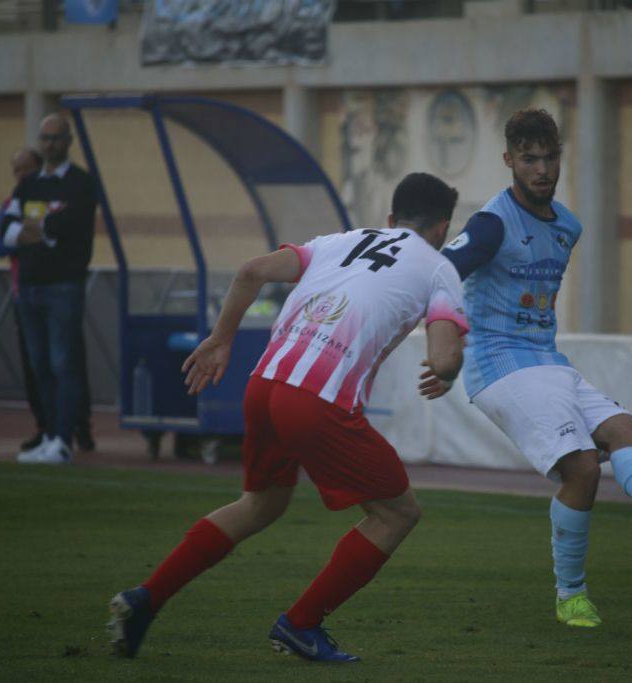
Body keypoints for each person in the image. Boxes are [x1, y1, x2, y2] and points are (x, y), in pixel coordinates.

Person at [107, 172, 467, 663]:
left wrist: (220, 339)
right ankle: (300, 624)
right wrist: (448, 370)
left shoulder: (340, 241)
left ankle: (145, 598)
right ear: (443, 227)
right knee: (397, 512)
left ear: (390, 219)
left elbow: (251, 271)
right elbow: (444, 357)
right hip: (317, 398)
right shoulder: (439, 267)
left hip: (265, 383)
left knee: (261, 503)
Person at [439, 108, 632, 629]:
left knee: (630, 433)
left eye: (550, 157)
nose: (542, 169)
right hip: (498, 363)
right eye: (529, 159)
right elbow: (442, 272)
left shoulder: (567, 226)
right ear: (509, 160)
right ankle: (571, 595)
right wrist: (442, 352)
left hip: (546, 360)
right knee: (582, 467)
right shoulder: (491, 224)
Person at [0, 113, 98, 464]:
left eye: (56, 137)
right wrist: (41, 229)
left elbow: (72, 225)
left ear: (68, 141)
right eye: (45, 138)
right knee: (39, 364)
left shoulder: (81, 183)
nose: (50, 144)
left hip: (64, 286)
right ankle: (49, 433)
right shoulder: (28, 186)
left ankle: (63, 440)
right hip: (29, 286)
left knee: (63, 363)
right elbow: (8, 229)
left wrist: (39, 227)